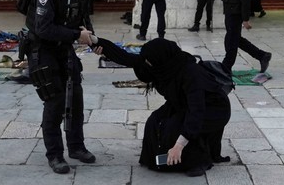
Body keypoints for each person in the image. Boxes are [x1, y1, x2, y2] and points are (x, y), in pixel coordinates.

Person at [91, 37, 231, 177]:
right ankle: (156, 159)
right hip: (181, 103)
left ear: (161, 58)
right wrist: (95, 41)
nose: (147, 63)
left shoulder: (190, 72)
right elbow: (125, 57)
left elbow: (196, 111)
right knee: (154, 121)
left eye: (149, 61)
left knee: (175, 128)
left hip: (213, 110)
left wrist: (179, 145)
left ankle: (197, 161)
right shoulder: (161, 65)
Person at [29, 0, 96, 174]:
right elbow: (43, 28)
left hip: (65, 49)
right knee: (55, 102)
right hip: (44, 51)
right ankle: (55, 154)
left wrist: (93, 39)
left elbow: (84, 19)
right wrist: (77, 36)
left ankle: (76, 147)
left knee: (75, 99)